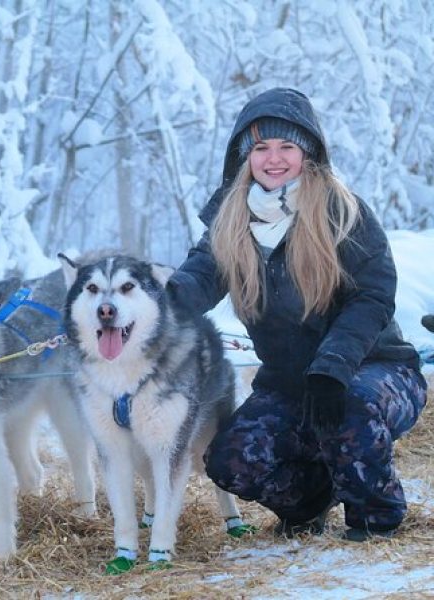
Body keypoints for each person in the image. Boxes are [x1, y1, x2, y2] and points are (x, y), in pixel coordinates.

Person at [168, 88, 427, 542]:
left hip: (373, 368)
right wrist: (157, 304)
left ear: (308, 153)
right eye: (261, 147)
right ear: (244, 156)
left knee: (351, 406)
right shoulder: (230, 219)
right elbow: (199, 277)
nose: (274, 159)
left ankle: (375, 516)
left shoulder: (342, 211)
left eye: (287, 146)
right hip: (289, 381)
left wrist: (333, 367)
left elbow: (373, 295)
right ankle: (311, 501)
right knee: (231, 458)